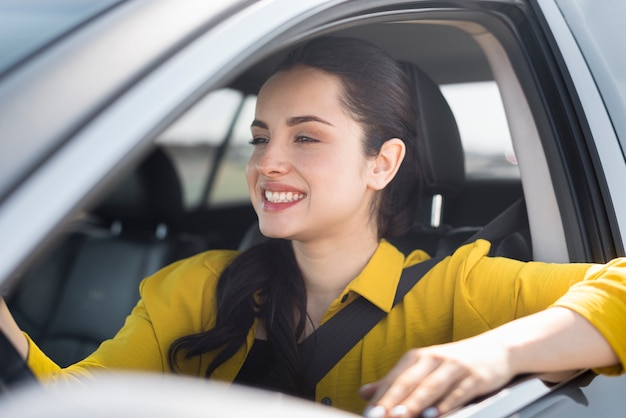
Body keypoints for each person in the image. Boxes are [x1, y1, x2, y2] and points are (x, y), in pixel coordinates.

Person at [0, 36, 624, 418]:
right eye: (260, 137)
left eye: (306, 137)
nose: (268, 161)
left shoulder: (457, 288)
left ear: (382, 163)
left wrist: (497, 351)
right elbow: (63, 407)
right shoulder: (192, 289)